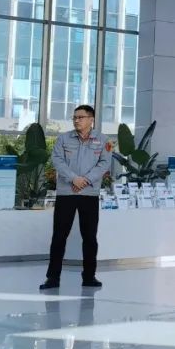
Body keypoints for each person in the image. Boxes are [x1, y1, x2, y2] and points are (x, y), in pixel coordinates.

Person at [40, 105, 113, 290]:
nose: (76, 120)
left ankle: (89, 277)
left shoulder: (103, 140)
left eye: (81, 117)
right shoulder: (63, 139)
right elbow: (57, 160)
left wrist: (85, 180)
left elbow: (104, 163)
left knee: (89, 237)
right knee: (59, 236)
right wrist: (74, 179)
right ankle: (52, 278)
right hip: (67, 193)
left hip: (89, 194)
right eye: (74, 117)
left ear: (91, 119)